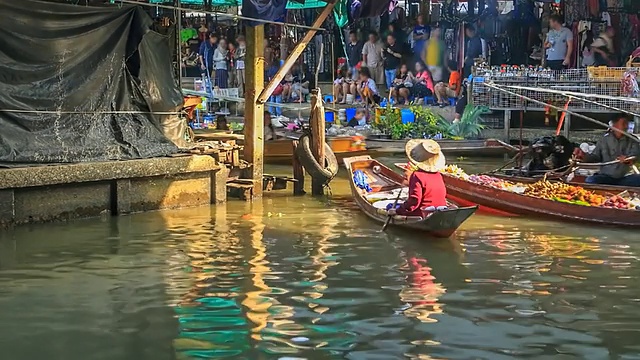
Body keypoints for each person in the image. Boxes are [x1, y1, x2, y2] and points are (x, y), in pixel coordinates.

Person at [574, 115, 640, 186]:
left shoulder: (633, 140)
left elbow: (636, 156)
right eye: (623, 124)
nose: (626, 127)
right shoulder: (604, 139)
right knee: (590, 180)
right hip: (606, 176)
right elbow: (596, 157)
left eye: (627, 124)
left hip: (626, 177)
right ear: (615, 125)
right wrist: (584, 156)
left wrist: (628, 159)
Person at [387, 139, 447, 217]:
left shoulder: (417, 175)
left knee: (390, 206)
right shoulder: (438, 175)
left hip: (422, 213)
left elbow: (414, 201)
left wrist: (397, 211)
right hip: (440, 210)